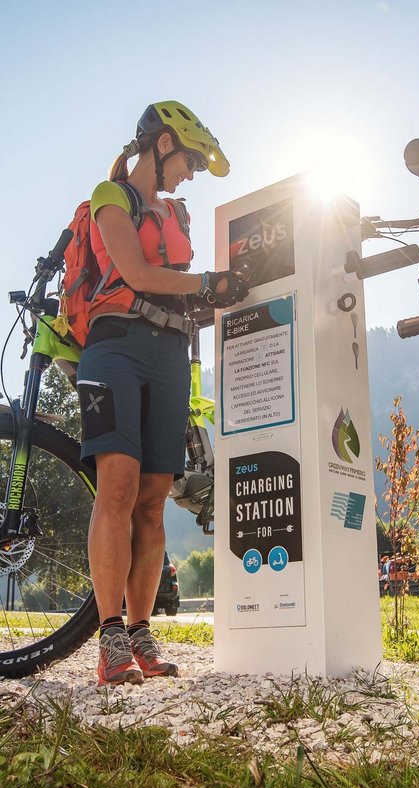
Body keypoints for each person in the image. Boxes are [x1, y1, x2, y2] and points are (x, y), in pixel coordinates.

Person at [78, 101, 248, 686]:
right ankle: (110, 639)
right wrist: (207, 282)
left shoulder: (176, 214)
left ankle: (142, 632)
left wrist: (218, 292)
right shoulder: (111, 196)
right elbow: (137, 273)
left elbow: (178, 289)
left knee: (154, 498)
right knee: (118, 488)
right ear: (164, 144)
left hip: (172, 354)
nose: (192, 174)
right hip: (116, 348)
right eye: (192, 161)